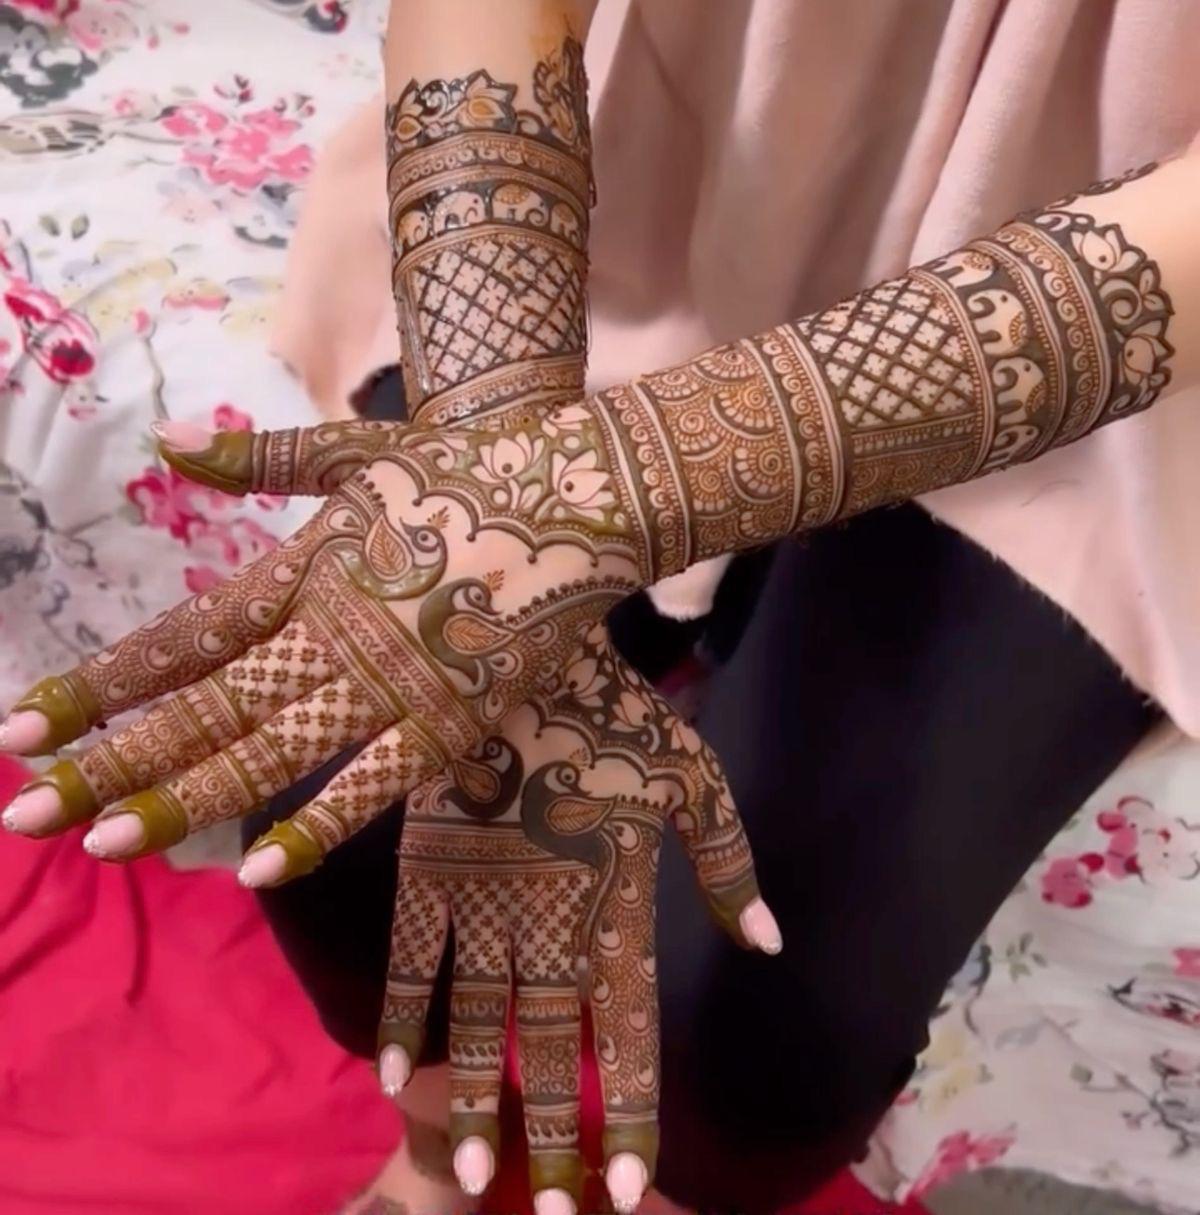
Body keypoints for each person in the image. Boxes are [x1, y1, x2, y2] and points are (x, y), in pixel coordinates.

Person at [3, 2, 1200, 1212]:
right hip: (678, 195)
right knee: (352, 786)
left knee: (764, 1002)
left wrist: (617, 485)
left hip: (1120, 380)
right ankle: (439, 1156)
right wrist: (490, 445)